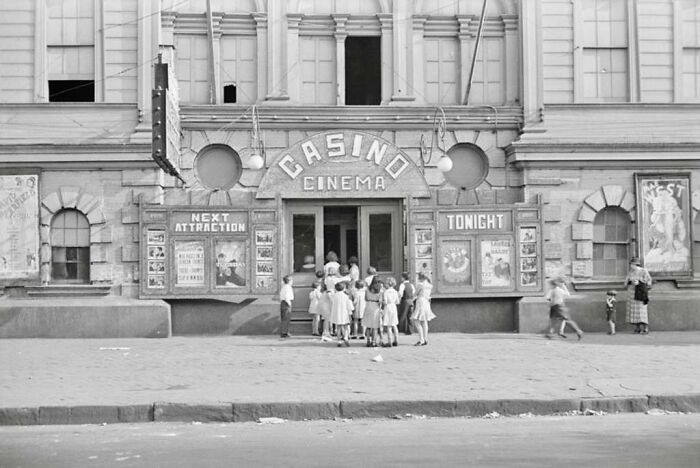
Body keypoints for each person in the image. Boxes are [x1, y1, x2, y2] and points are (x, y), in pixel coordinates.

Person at [625, 258, 652, 334]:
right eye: (630, 264)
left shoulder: (643, 271)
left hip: (640, 293)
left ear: (635, 264)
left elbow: (649, 281)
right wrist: (630, 282)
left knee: (642, 311)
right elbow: (626, 282)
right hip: (632, 293)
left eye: (631, 264)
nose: (630, 266)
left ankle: (645, 328)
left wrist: (639, 282)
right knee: (634, 312)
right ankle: (638, 328)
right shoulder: (630, 272)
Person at [411, 273, 436, 346]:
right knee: (424, 321)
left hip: (420, 302)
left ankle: (421, 339)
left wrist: (413, 296)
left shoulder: (420, 285)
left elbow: (415, 294)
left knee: (416, 320)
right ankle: (425, 339)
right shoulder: (430, 285)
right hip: (426, 302)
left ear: (421, 278)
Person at [330, 281, 354, 347]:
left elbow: (331, 300)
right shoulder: (346, 296)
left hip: (337, 313)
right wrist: (350, 313)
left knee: (338, 327)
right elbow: (349, 306)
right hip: (345, 313)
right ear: (344, 288)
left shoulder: (334, 296)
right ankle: (346, 337)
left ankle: (339, 341)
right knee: (346, 326)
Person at [364, 277, 383, 347]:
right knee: (375, 326)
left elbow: (365, 298)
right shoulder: (380, 291)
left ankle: (368, 340)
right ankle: (374, 342)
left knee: (368, 325)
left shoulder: (367, 289)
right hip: (375, 306)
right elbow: (381, 301)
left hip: (368, 305)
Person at [382, 277, 400, 347]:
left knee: (389, 325)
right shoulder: (395, 292)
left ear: (388, 284)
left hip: (388, 307)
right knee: (394, 324)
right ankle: (396, 340)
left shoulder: (386, 292)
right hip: (394, 307)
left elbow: (385, 302)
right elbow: (397, 302)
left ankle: (389, 341)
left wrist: (382, 302)